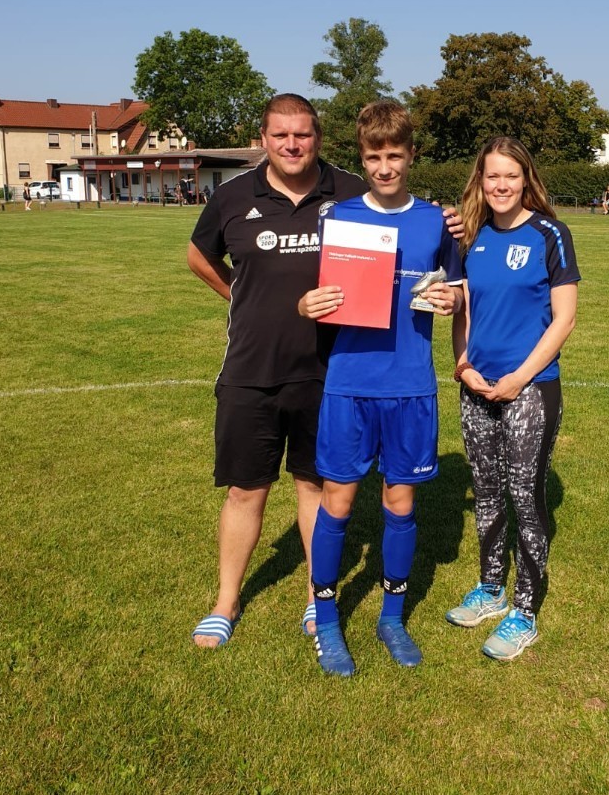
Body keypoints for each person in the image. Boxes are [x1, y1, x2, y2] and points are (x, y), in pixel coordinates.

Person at [188, 94, 461, 648]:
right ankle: (226, 601)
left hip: (325, 369)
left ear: (318, 138)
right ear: (264, 138)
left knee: (314, 484)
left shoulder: (346, 194)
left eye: (303, 134)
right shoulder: (235, 195)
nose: (292, 144)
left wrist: (448, 222)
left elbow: (418, 232)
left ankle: (320, 599)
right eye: (281, 135)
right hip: (254, 365)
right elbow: (198, 256)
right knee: (245, 489)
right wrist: (242, 296)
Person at [299, 101, 462, 676]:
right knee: (338, 502)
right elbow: (315, 290)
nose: (385, 167)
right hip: (350, 384)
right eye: (374, 157)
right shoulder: (338, 218)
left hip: (411, 385)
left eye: (395, 155)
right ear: (362, 158)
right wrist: (308, 303)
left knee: (400, 502)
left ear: (412, 155)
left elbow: (456, 288)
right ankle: (326, 619)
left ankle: (391, 617)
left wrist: (451, 298)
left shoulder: (437, 223)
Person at [447, 136, 579, 661]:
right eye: (492, 176)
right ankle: (491, 589)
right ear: (480, 180)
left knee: (524, 496)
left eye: (511, 175)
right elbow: (463, 312)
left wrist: (520, 378)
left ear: (526, 179)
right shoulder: (471, 236)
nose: (501, 185)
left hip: (531, 389)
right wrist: (463, 366)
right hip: (477, 387)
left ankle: (524, 611)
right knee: (486, 492)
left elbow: (564, 319)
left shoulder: (551, 233)